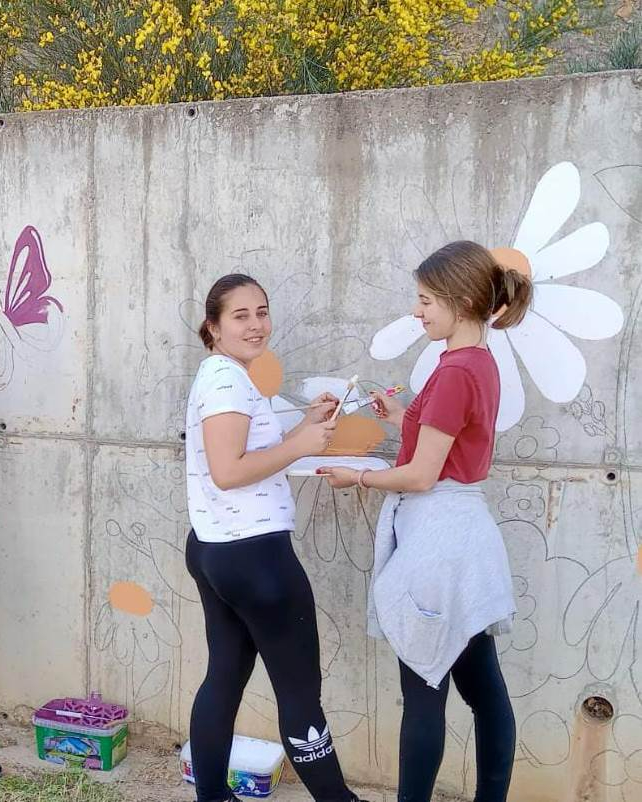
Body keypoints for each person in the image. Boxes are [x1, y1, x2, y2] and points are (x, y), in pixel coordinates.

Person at [318, 241, 529, 802]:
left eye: (426, 300)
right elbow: (444, 444)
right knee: (482, 686)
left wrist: (356, 476)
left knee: (425, 686)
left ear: (460, 302)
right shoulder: (474, 361)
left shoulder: (456, 371)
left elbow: (419, 476)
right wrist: (404, 414)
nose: (418, 311)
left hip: (440, 542)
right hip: (461, 537)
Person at [183, 273, 368, 802]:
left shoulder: (230, 377)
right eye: (240, 316)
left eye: (261, 312)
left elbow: (248, 460)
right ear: (213, 327)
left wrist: (301, 429)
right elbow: (228, 470)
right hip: (255, 556)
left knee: (223, 678)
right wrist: (303, 444)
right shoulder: (225, 381)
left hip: (219, 548)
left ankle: (212, 797)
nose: (256, 324)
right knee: (300, 696)